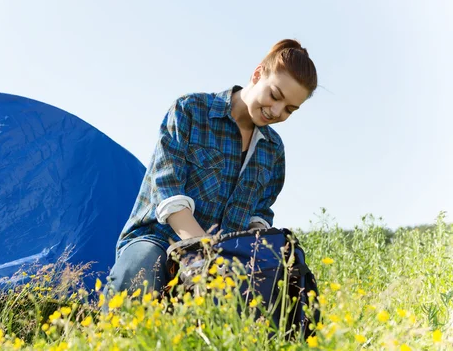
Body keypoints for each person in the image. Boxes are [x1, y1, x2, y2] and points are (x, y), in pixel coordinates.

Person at [105, 39, 318, 296]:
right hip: (159, 240)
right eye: (274, 95)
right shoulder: (190, 111)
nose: (276, 111)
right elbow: (168, 193)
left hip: (226, 259)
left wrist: (263, 251)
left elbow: (259, 212)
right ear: (258, 73)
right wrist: (206, 256)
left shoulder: (273, 149)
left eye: (289, 110)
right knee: (139, 270)